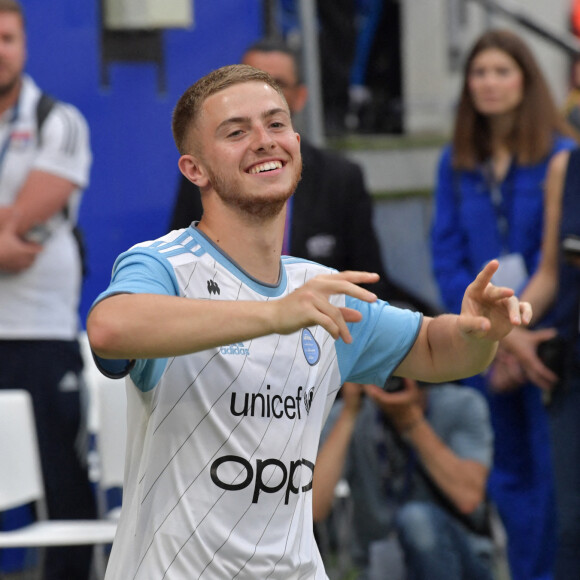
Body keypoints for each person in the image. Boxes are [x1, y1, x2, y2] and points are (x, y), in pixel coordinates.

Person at [86, 63, 531, 579]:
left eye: (276, 124)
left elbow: (437, 351)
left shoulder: (318, 287)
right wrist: (272, 315)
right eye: (236, 132)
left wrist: (481, 333)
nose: (264, 141)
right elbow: (110, 329)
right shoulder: (163, 264)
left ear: (297, 142)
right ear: (195, 169)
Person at [430, 28, 577, 580]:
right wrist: (496, 338)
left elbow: (558, 268)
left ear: (527, 80)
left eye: (501, 71)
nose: (488, 84)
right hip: (485, 345)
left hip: (547, 346)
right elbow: (445, 259)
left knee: (554, 479)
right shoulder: (457, 163)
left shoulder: (564, 157)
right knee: (506, 475)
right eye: (478, 73)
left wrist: (521, 337)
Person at [169, 37, 437, 315]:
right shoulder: (157, 262)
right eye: (248, 81)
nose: (263, 142)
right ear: (195, 170)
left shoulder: (341, 178)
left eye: (276, 85)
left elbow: (369, 290)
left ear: (299, 97)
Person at [0, 1, 95, 579]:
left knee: (61, 480)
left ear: (25, 45)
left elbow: (38, 207)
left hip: (40, 331)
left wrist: (13, 222)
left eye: (7, 37)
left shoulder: (58, 118)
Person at [314, 380, 496, 580]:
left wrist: (411, 420)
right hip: (382, 567)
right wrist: (348, 414)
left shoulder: (461, 403)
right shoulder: (350, 411)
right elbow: (313, 509)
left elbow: (468, 499)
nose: (394, 377)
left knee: (416, 520)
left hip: (462, 563)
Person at [497, 147, 580, 580]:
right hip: (571, 372)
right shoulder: (568, 165)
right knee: (570, 530)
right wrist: (510, 327)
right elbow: (550, 272)